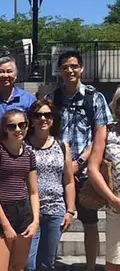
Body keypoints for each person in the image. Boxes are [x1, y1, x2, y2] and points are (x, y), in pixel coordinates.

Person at [45, 50, 113, 271]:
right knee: (54, 220)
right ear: (60, 71)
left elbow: (100, 133)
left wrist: (81, 161)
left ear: (81, 68)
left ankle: (91, 266)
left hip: (84, 171)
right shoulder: (53, 98)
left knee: (90, 222)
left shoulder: (95, 97)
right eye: (65, 67)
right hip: (57, 170)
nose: (70, 71)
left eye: (74, 66)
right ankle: (48, 262)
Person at [0, 109, 39, 271]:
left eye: (22, 125)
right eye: (12, 126)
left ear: (28, 126)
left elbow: (34, 191)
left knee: (18, 266)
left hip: (23, 211)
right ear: (5, 129)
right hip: (1, 211)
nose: (17, 130)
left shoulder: (29, 153)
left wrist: (35, 220)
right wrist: (6, 224)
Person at [25, 99, 76, 271]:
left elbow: (68, 181)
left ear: (53, 118)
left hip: (55, 210)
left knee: (47, 264)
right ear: (31, 120)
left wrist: (70, 210)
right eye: (38, 115)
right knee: (28, 264)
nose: (43, 119)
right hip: (30, 212)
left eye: (47, 115)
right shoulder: (24, 146)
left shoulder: (62, 146)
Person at [88, 87, 120, 270]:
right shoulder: (106, 132)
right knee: (115, 262)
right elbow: (93, 168)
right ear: (116, 107)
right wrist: (113, 199)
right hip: (116, 207)